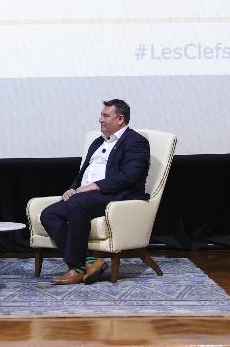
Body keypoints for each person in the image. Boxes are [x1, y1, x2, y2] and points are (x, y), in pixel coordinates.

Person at [40, 99, 150, 285]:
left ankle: (76, 268)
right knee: (49, 214)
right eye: (101, 115)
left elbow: (130, 176)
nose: (100, 120)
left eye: (105, 116)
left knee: (77, 203)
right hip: (86, 196)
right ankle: (91, 261)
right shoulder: (97, 142)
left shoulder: (136, 141)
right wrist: (72, 188)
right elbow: (84, 172)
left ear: (120, 119)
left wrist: (95, 186)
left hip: (116, 196)